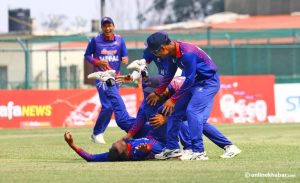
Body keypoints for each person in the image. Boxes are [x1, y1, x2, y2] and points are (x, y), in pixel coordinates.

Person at [145, 32, 241, 160]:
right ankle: (172, 148)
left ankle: (199, 152)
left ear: (163, 48)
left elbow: (189, 79)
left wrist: (173, 99)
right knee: (175, 112)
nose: (156, 56)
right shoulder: (171, 54)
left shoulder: (187, 53)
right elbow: (169, 75)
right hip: (195, 84)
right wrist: (158, 92)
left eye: (156, 53)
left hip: (208, 83)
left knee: (192, 112)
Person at [84, 16, 130, 144]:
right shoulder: (95, 40)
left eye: (110, 25)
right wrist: (97, 61)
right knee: (108, 105)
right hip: (100, 77)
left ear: (113, 27)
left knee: (113, 105)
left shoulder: (120, 40)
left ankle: (96, 134)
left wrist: (125, 58)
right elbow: (87, 55)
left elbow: (124, 54)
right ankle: (97, 133)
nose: (107, 28)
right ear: (102, 28)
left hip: (115, 77)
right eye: (105, 26)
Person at [64, 131, 164, 162]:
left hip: (151, 133)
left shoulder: (111, 155)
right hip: (162, 139)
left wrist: (71, 144)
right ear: (122, 152)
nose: (117, 142)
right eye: (117, 145)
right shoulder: (135, 151)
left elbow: (91, 158)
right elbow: (148, 149)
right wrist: (147, 149)